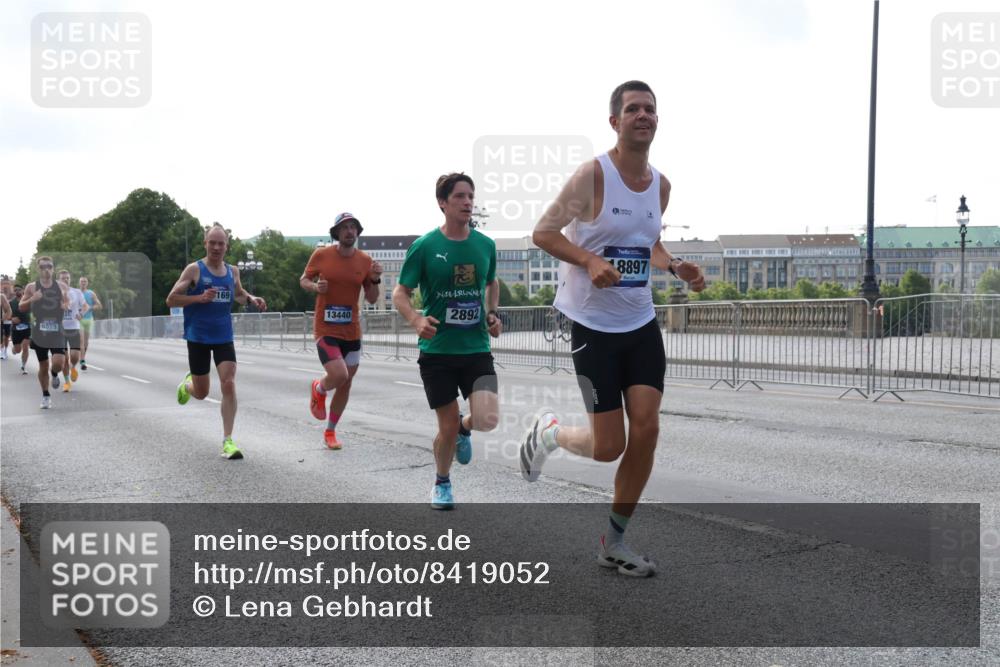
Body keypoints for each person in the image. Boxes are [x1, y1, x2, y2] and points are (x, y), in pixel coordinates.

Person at [520, 81, 705, 577]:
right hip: (593, 324)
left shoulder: (661, 185)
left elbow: (649, 244)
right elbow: (542, 232)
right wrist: (588, 259)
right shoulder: (592, 175)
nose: (642, 115)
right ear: (615, 121)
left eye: (650, 109)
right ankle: (551, 433)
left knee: (647, 427)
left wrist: (676, 265)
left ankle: (614, 542)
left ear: (657, 120)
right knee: (609, 448)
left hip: (639, 320)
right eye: (632, 109)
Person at [392, 173, 502, 510]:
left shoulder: (485, 245)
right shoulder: (425, 246)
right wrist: (416, 319)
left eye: (471, 196)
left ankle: (466, 430)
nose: (468, 202)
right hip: (437, 352)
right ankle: (442, 483)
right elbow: (400, 292)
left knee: (487, 418)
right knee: (447, 424)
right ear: (443, 203)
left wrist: (492, 312)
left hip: (476, 348)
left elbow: (491, 282)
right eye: (460, 196)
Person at [166, 223, 266, 459]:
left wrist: (252, 299)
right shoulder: (194, 270)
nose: (216, 247)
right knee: (201, 392)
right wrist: (199, 297)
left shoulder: (233, 272)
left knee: (228, 383)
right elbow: (171, 300)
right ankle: (187, 386)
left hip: (223, 336)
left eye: (221, 243)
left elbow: (239, 294)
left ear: (226, 246)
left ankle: (228, 441)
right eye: (212, 242)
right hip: (198, 337)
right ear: (205, 244)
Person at [301, 213, 382, 450]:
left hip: (352, 331)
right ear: (336, 233)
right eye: (345, 227)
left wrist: (375, 280)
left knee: (346, 384)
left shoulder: (365, 261)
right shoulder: (322, 255)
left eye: (353, 227)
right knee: (339, 375)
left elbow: (372, 298)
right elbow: (303, 280)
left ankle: (330, 431)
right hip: (326, 328)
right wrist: (316, 286)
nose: (350, 231)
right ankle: (319, 387)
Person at [19, 256, 70, 409]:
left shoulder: (61, 286)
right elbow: (21, 306)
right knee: (43, 365)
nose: (46, 269)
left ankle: (54, 374)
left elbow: (68, 302)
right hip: (39, 330)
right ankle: (46, 395)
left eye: (49, 266)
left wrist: (65, 305)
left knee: (59, 363)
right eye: (43, 267)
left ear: (53, 268)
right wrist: (32, 299)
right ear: (38, 269)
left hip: (57, 330)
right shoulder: (31, 287)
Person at [57, 270, 88, 392]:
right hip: (60, 329)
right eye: (63, 278)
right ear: (59, 280)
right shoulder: (54, 293)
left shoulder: (77, 292)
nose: (66, 280)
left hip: (74, 327)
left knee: (74, 356)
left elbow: (85, 306)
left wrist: (81, 313)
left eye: (68, 278)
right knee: (64, 357)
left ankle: (73, 367)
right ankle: (67, 382)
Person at [78, 276, 102, 370]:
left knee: (86, 342)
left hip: (88, 320)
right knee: (81, 340)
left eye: (85, 281)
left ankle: (82, 357)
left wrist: (90, 307)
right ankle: (82, 361)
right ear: (79, 283)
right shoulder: (76, 293)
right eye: (82, 281)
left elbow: (99, 305)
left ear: (87, 283)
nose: (83, 283)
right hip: (79, 320)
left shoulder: (91, 293)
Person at [10, 285, 31, 374]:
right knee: (18, 350)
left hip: (27, 327)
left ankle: (24, 366)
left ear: (23, 290)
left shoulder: (28, 301)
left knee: (25, 347)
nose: (17, 291)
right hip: (16, 329)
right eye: (15, 290)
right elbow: (6, 314)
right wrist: (12, 319)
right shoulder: (11, 303)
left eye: (19, 289)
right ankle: (14, 349)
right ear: (14, 292)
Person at [1, 277, 12, 360]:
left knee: (6, 336)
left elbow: (8, 310)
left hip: (5, 321)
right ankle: (1, 350)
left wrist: (2, 319)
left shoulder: (1, 297)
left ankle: (4, 350)